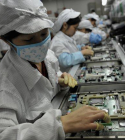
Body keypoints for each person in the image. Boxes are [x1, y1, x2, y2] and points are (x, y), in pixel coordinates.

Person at [0, 1, 111, 140]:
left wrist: (58, 80)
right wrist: (58, 125)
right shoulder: (5, 85)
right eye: (29, 39)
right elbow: (4, 135)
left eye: (44, 34)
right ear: (6, 40)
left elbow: (45, 85)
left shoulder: (48, 56)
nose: (40, 44)